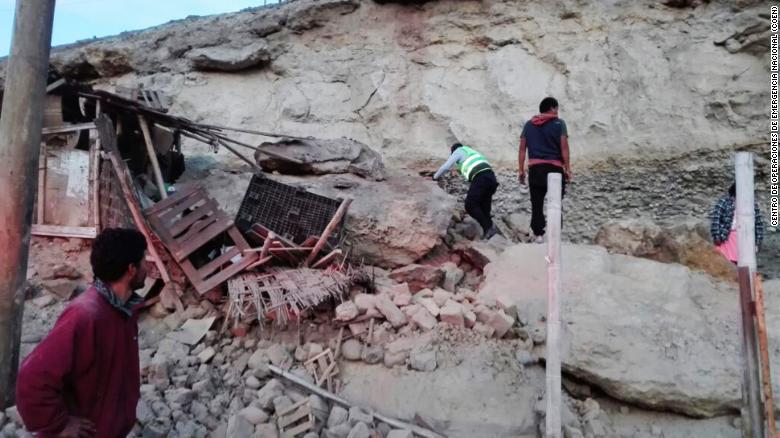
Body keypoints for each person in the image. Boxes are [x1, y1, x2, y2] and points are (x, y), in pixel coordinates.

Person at [16, 228, 148, 437]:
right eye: (144, 260)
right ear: (131, 269)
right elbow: (32, 378)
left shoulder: (124, 310)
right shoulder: (85, 316)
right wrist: (59, 425)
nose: (146, 267)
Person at [518, 97, 571, 243]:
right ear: (553, 108)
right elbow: (564, 147)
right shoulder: (560, 124)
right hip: (555, 168)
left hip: (535, 169)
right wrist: (568, 168)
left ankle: (539, 234)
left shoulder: (528, 125)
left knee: (537, 203)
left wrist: (521, 170)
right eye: (557, 109)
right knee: (555, 203)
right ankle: (555, 234)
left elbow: (522, 149)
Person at [433, 143, 500, 239]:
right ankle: (491, 235)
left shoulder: (458, 151)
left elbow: (446, 166)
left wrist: (434, 177)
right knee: (484, 208)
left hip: (481, 177)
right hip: (491, 178)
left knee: (470, 205)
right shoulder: (472, 152)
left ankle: (489, 228)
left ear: (453, 151)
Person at [710, 183, 765, 264]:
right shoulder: (724, 202)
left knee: (744, 264)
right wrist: (717, 236)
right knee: (725, 262)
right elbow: (716, 219)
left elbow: (758, 223)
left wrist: (758, 242)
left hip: (746, 238)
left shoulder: (752, 204)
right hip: (726, 237)